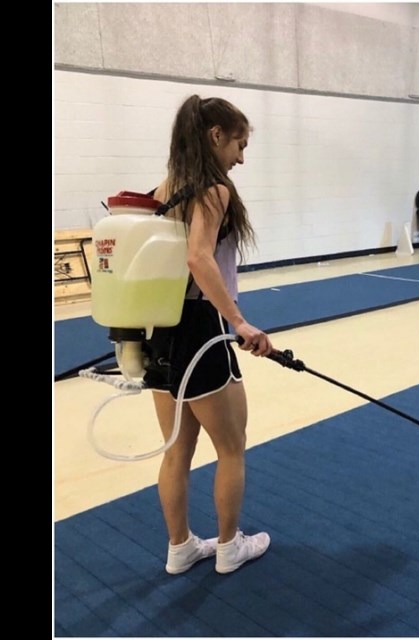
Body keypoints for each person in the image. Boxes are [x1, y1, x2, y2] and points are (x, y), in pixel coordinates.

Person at [147, 95, 273, 574]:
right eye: (239, 144)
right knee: (231, 447)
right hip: (200, 328)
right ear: (216, 136)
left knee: (176, 450)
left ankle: (180, 547)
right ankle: (228, 546)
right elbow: (198, 258)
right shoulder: (212, 190)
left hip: (157, 331)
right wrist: (238, 323)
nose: (241, 157)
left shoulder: (164, 188)